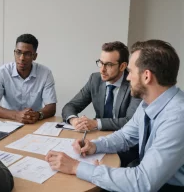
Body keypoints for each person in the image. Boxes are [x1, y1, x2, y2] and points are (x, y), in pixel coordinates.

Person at [46, 40, 184, 192]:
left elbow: (143, 182)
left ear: (146, 76)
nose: (127, 78)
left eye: (130, 72)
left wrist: (76, 167)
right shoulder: (148, 104)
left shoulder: (178, 117)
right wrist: (95, 145)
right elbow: (125, 136)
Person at [61, 41, 142, 167]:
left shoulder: (134, 83)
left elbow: (130, 121)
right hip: (99, 140)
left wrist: (96, 123)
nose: (102, 69)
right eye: (101, 63)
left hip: (126, 147)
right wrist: (74, 120)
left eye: (109, 65)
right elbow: (70, 106)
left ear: (122, 66)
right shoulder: (95, 79)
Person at [0, 34, 57, 124]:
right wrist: (16, 115)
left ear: (34, 56)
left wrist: (38, 114)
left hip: (33, 122)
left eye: (27, 54)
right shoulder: (3, 72)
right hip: (8, 121)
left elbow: (51, 107)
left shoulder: (45, 73)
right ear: (14, 53)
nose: (21, 58)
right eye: (18, 52)